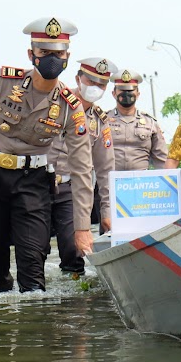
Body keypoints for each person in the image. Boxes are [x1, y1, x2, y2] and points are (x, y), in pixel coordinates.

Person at [0, 17, 95, 293]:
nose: (52, 59)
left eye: (59, 54)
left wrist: (82, 227)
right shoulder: (3, 81)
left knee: (32, 266)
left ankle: (34, 331)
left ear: (67, 57)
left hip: (34, 182)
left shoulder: (70, 107)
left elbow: (82, 169)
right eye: (45, 53)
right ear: (31, 55)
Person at [48, 56, 117, 272]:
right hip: (36, 182)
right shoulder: (52, 101)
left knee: (74, 250)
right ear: (78, 79)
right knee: (35, 248)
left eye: (101, 84)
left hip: (71, 190)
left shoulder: (100, 121)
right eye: (90, 81)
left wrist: (107, 210)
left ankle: (73, 301)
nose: (95, 87)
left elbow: (105, 170)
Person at [107, 69, 167, 171]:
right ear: (114, 93)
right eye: (122, 90)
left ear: (138, 94)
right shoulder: (103, 121)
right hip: (109, 182)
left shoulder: (151, 123)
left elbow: (161, 159)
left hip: (141, 183)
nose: (126, 94)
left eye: (130, 90)